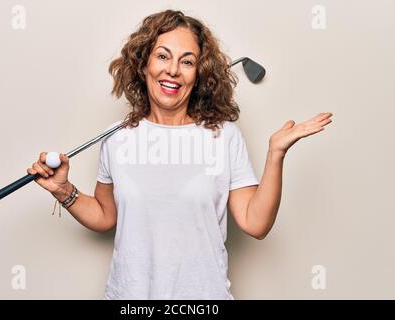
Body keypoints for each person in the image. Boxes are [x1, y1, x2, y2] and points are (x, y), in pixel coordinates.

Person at [27, 10, 333, 299]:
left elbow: (256, 223)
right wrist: (63, 190)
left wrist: (275, 154)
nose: (172, 70)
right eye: (162, 56)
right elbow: (106, 217)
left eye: (187, 62)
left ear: (199, 74)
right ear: (143, 63)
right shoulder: (116, 137)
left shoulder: (223, 136)